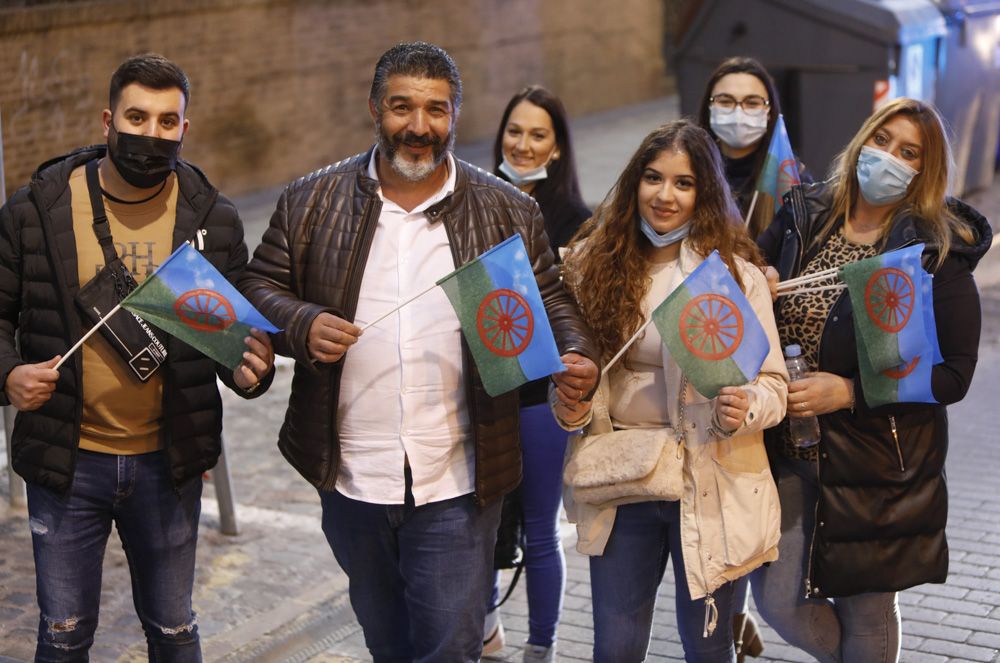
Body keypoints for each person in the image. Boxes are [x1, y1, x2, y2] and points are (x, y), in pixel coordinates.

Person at [238, 42, 600, 663]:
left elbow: (553, 298)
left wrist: (575, 351)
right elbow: (257, 286)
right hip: (350, 474)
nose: (419, 126)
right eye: (402, 107)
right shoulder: (311, 201)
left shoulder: (507, 209)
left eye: (436, 109)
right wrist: (302, 321)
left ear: (455, 113)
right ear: (374, 108)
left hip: (457, 479)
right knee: (388, 643)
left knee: (449, 649)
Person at [0, 53, 275, 661]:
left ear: (184, 129)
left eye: (167, 122)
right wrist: (8, 375)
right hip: (66, 462)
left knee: (175, 630)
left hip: (169, 465)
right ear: (107, 120)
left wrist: (252, 373)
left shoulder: (215, 221)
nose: (151, 134)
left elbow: (237, 347)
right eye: (137, 117)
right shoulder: (35, 210)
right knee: (64, 634)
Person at [753, 97, 991, 662]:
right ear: (862, 140)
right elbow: (752, 271)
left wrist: (851, 392)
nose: (887, 157)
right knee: (779, 601)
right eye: (882, 140)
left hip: (875, 457)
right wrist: (755, 273)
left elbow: (954, 375)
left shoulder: (934, 252)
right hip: (787, 448)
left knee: (866, 607)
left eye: (908, 152)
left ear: (923, 171)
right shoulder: (804, 213)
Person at [554, 119, 788, 662]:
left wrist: (747, 405)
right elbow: (572, 385)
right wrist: (570, 405)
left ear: (703, 193)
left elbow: (773, 384)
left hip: (711, 479)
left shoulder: (733, 276)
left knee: (708, 648)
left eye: (683, 183)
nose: (665, 195)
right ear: (635, 181)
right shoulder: (591, 267)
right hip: (623, 477)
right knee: (615, 647)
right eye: (653, 178)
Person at [482, 85, 592, 662]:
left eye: (538, 135)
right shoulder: (473, 200)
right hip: (480, 391)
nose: (523, 144)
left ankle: (541, 648)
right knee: (473, 524)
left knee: (542, 531)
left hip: (540, 399)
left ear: (556, 148)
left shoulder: (577, 221)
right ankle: (486, 632)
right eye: (515, 131)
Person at [697, 56, 811, 239]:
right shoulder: (691, 169)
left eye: (752, 103)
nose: (738, 112)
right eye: (725, 101)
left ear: (769, 111)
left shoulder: (790, 176)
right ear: (709, 106)